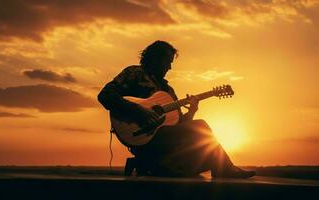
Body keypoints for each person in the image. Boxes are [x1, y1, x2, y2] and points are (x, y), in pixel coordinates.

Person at [97, 40, 256, 178]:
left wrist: (191, 111)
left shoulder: (168, 90)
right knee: (201, 126)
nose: (170, 67)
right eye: (168, 61)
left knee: (203, 156)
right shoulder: (135, 73)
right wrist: (139, 111)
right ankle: (224, 169)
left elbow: (179, 125)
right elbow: (105, 95)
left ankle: (157, 165)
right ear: (155, 59)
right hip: (142, 137)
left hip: (164, 140)